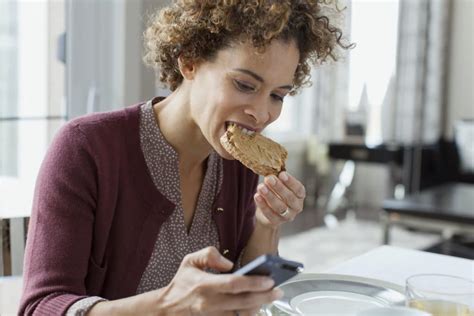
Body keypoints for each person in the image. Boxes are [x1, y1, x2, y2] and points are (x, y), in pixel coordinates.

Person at [19, 1, 349, 315]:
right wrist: (166, 306)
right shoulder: (86, 148)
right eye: (245, 84)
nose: (262, 113)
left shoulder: (239, 165)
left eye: (278, 95)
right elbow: (39, 308)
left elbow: (242, 302)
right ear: (189, 60)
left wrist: (266, 224)